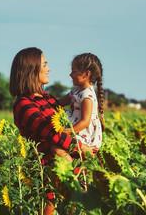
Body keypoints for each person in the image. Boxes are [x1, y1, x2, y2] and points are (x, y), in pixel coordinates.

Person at [9, 47, 95, 215]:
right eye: (45, 64)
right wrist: (81, 148)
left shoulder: (47, 98)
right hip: (46, 172)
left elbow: (64, 126)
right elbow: (50, 132)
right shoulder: (23, 103)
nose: (49, 69)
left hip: (69, 166)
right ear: (31, 69)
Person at [53, 53, 105, 163]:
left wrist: (66, 133)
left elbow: (85, 122)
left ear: (86, 74)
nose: (70, 75)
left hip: (85, 134)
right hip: (76, 129)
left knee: (58, 149)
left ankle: (71, 173)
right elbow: (57, 103)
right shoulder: (76, 91)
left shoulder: (87, 95)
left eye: (74, 71)